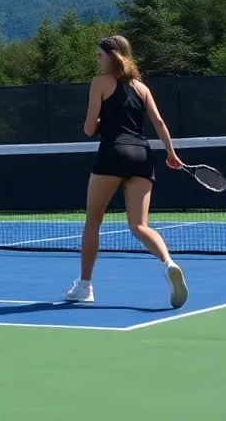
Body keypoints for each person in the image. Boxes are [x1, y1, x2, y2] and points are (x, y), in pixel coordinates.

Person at [66, 35, 189, 309]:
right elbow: (158, 121)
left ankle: (85, 286)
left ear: (113, 55)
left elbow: (88, 128)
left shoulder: (99, 83)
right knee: (140, 225)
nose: (97, 60)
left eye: (100, 55)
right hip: (142, 156)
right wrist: (171, 153)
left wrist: (102, 121)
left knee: (92, 222)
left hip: (114, 153)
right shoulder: (142, 88)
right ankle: (169, 263)